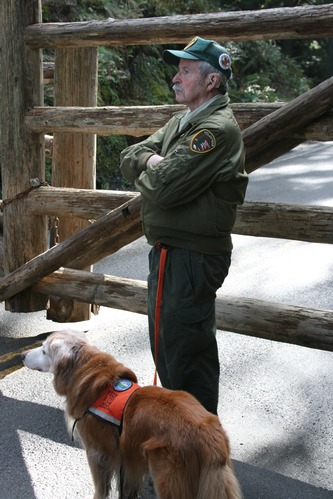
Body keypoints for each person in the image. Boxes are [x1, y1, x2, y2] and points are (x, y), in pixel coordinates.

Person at [120, 36, 248, 415]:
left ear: (211, 81)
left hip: (192, 259)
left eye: (186, 70)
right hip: (170, 254)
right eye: (179, 69)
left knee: (188, 357)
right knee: (167, 350)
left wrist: (153, 165)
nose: (176, 77)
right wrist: (153, 160)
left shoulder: (214, 131)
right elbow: (130, 154)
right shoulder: (184, 122)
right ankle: (180, 447)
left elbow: (163, 189)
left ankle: (198, 456)